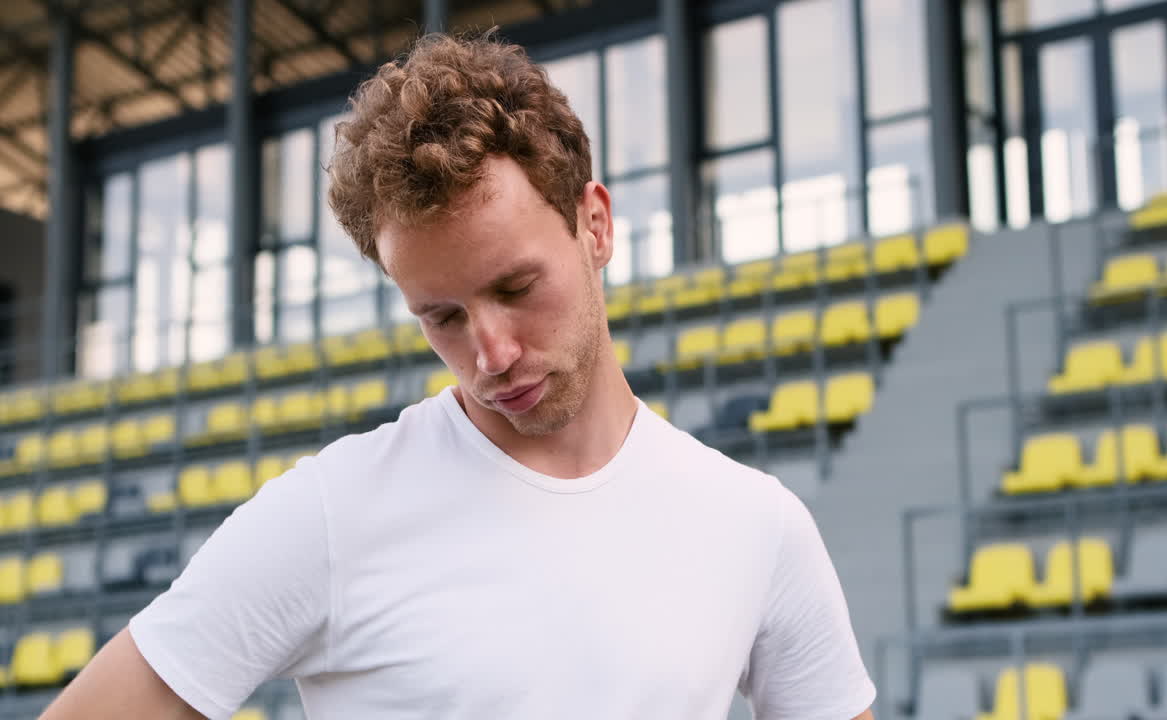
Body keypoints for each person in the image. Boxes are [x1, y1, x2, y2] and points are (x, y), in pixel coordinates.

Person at [42, 31, 876, 720]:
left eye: (517, 288)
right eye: (441, 316)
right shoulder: (334, 512)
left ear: (594, 225)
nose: (491, 353)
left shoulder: (756, 525)